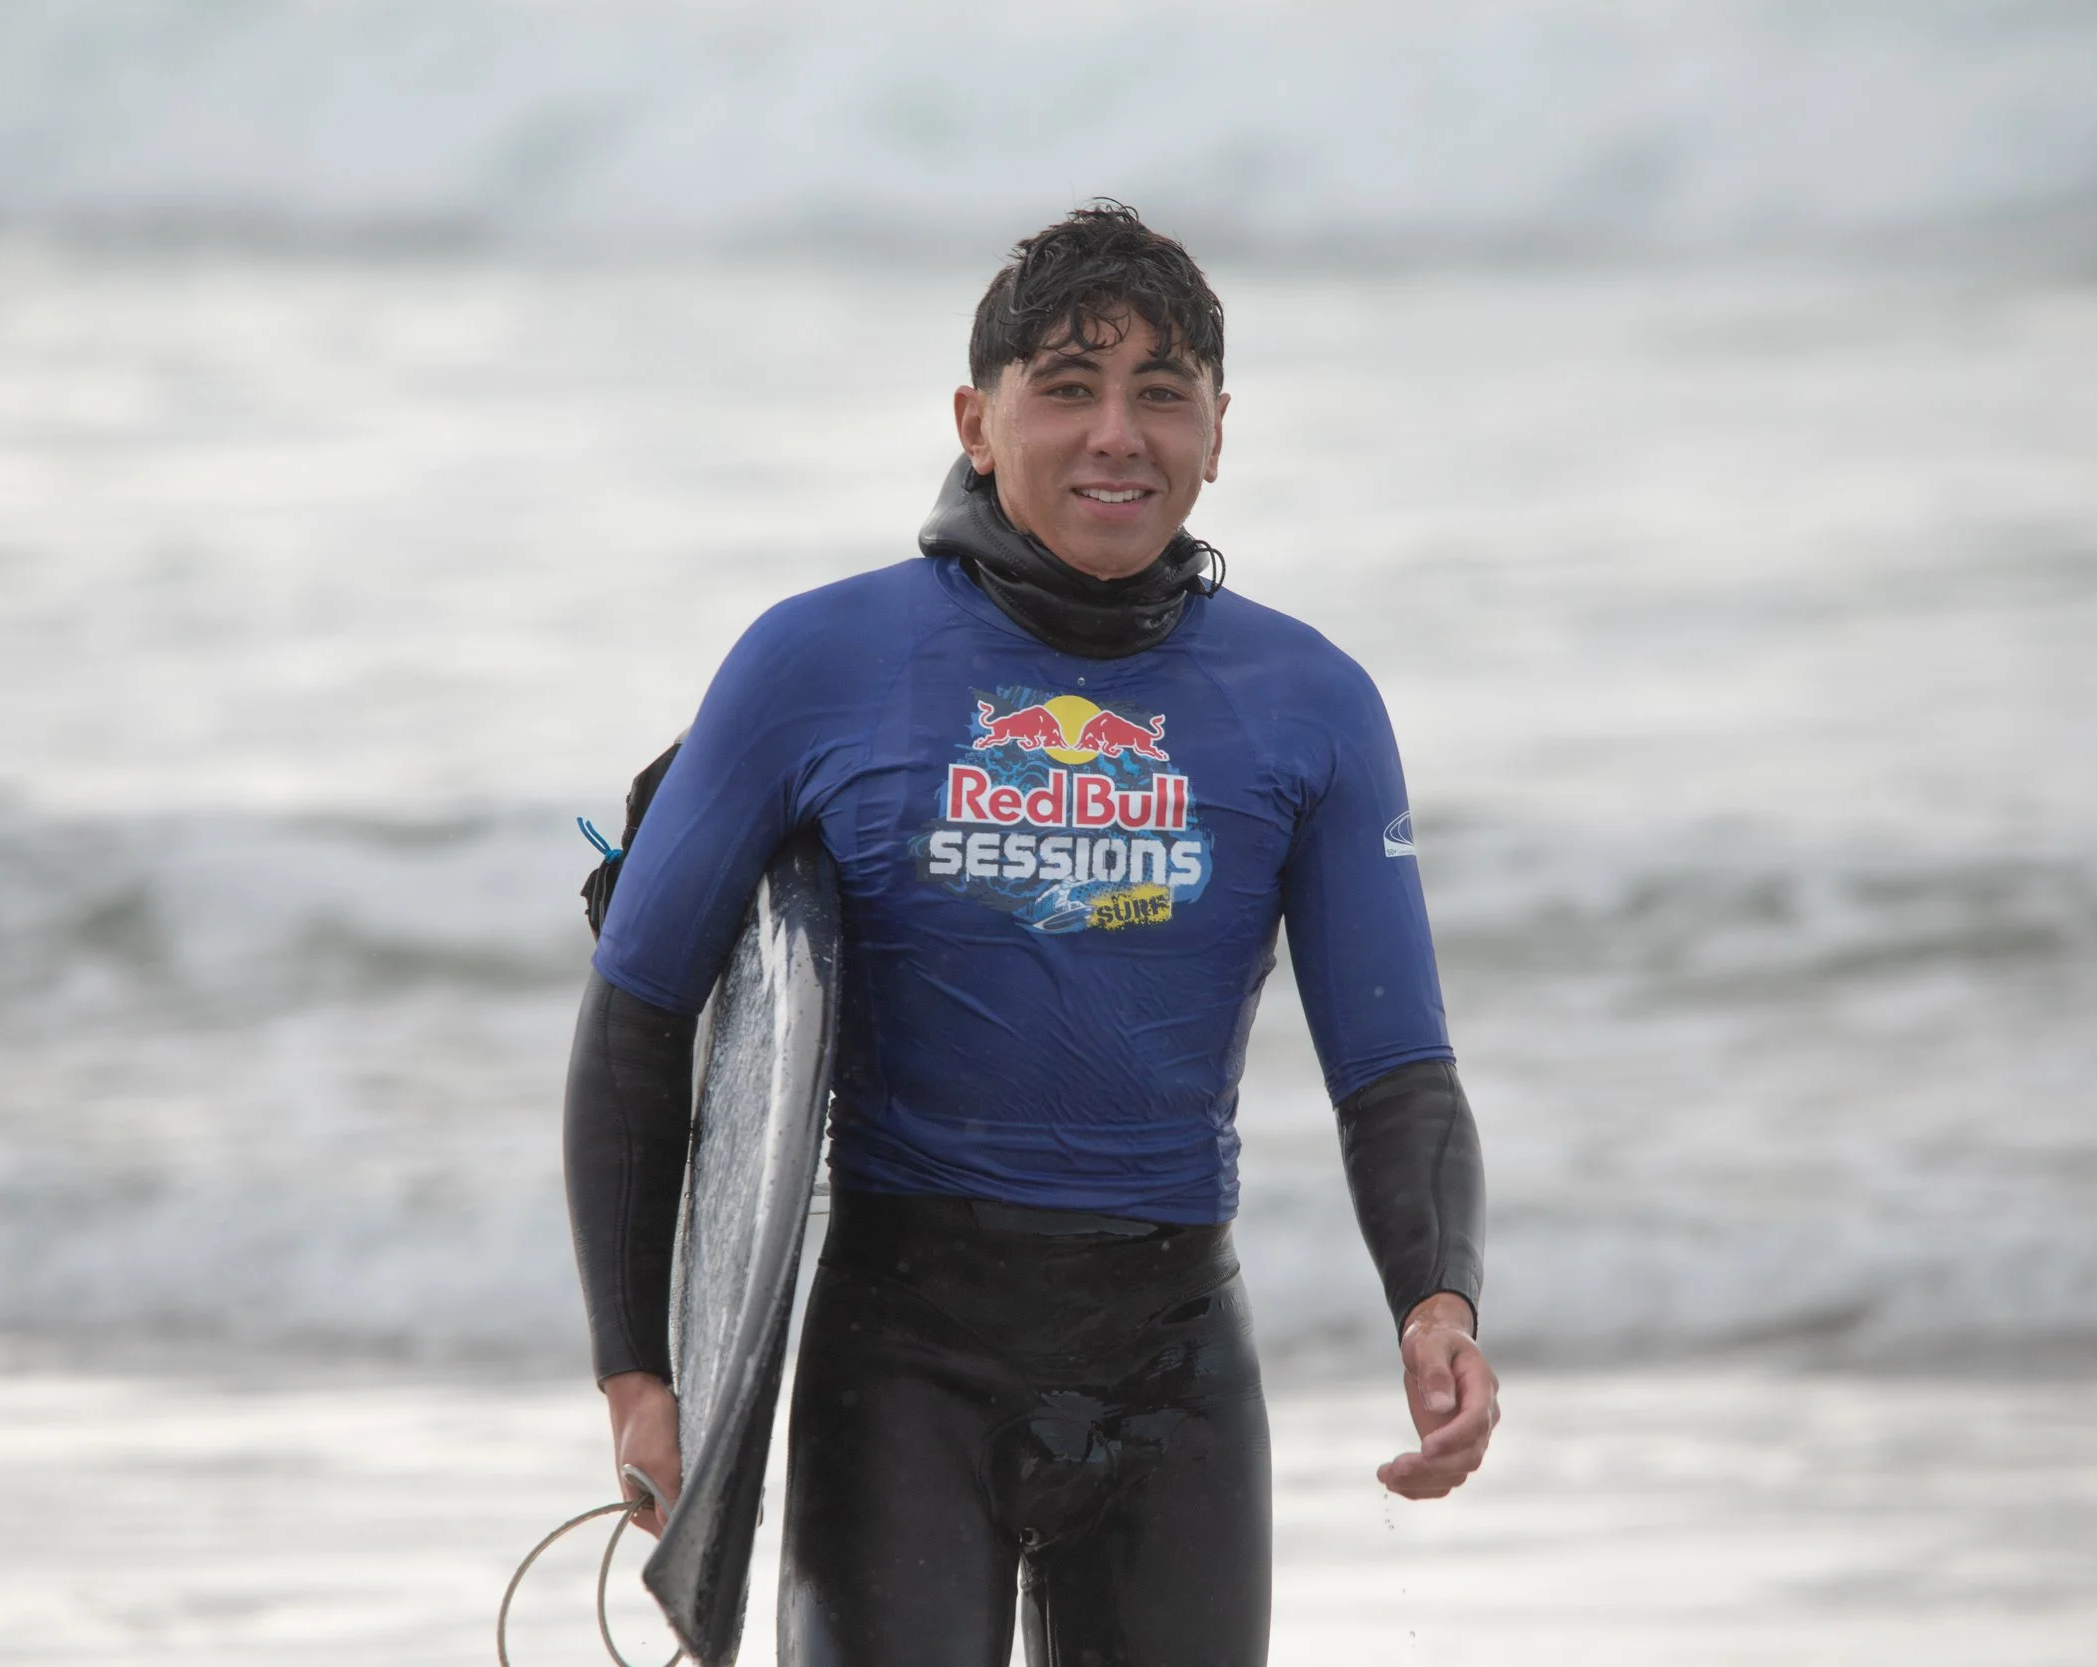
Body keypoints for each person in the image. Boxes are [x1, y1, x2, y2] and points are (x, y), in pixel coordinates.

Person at [565, 202, 1494, 1667]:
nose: (1117, 433)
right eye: (1067, 388)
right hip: (904, 1364)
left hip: (1177, 1369)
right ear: (976, 421)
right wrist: (642, 1374)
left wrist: (1436, 1306)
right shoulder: (819, 664)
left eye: (1162, 392)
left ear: (1221, 428)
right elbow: (639, 1011)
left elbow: (1393, 1065)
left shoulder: (1310, 703)